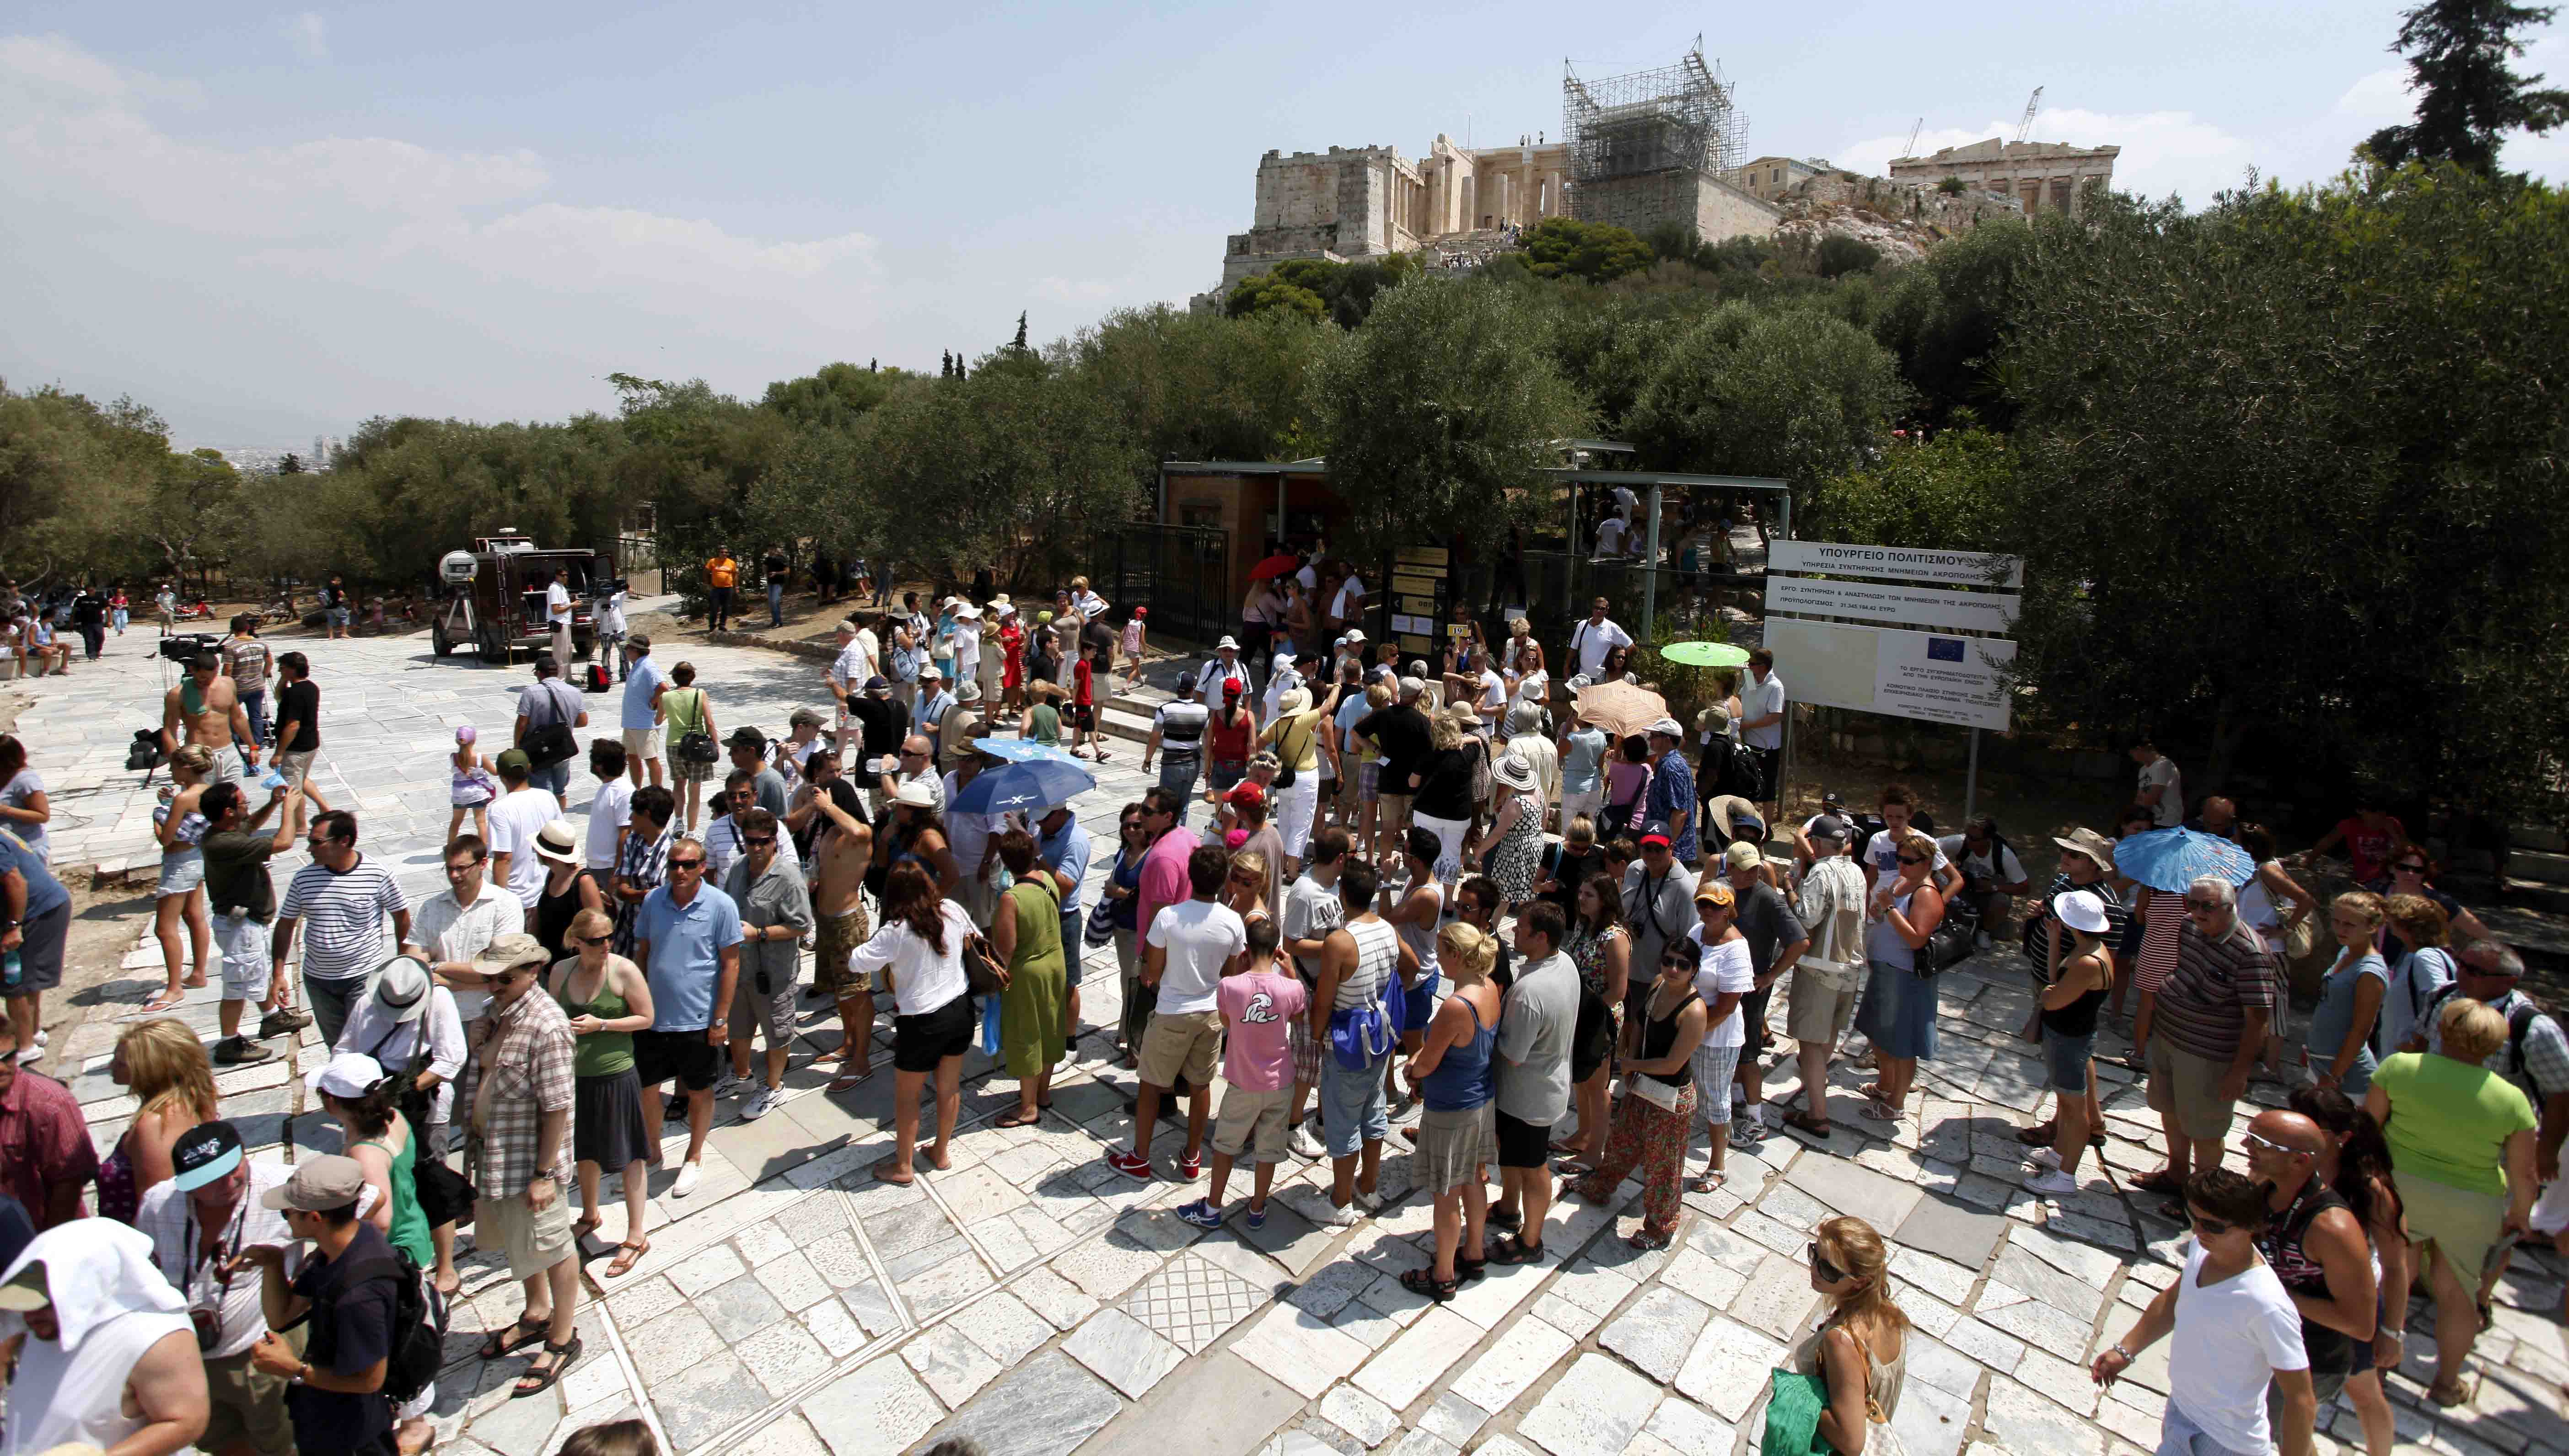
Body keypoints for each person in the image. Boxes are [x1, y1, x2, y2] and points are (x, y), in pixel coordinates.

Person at [2371, 995, 2540, 1407]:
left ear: (2442, 1029)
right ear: (2495, 1046)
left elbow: (2369, 1129)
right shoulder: (2513, 1100)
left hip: (2401, 1192)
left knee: (2395, 1277)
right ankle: (2447, 1384)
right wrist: (2519, 1215)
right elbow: (2525, 1173)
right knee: (2459, 1295)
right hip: (2472, 1202)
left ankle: (2375, 1364)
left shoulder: (2399, 1068)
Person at [462, 933, 584, 1398]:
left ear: (533, 972)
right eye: (490, 978)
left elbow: (557, 1107)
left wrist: (544, 1175)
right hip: (498, 1153)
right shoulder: (500, 1013)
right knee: (521, 1240)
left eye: (504, 979)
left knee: (553, 1246)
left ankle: (562, 1337)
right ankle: (536, 1313)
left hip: (530, 1162)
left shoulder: (547, 1025)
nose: (494, 986)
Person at [136, 1121, 300, 1456]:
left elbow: (369, 1202)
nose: (227, 1184)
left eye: (233, 1169)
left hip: (258, 1353)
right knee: (218, 1442)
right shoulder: (157, 1204)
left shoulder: (283, 1187)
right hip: (190, 1358)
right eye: (210, 1180)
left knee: (281, 1441)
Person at [0, 1219, 209, 1456]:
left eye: (43, 1306)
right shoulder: (42, 1330)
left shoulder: (155, 1335)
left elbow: (186, 1422)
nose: (30, 1316)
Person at [2133, 877, 2281, 1209]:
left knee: (2205, 1129)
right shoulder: (2188, 927)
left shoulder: (2250, 952)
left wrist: (2240, 1072)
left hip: (2209, 1055)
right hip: (2170, 1037)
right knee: (2170, 1111)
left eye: (2208, 906)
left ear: (2231, 907)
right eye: (2193, 903)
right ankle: (2176, 1175)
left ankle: (2202, 1201)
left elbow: (2257, 1018)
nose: (2198, 912)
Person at [238, 1155, 402, 1453]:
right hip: (325, 1421)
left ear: (315, 1218)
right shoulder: (344, 1245)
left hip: (353, 1437)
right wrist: (273, 1263)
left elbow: (370, 1380)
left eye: (287, 1213)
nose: (284, 1217)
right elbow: (282, 1317)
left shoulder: (359, 1296)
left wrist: (294, 1369)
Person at [2232, 1109, 2379, 1430]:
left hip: (2305, 1362)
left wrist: (2279, 1295)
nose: (2245, 1145)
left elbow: (2360, 1324)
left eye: (2259, 1143)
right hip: (2254, 1341)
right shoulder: (2262, 1187)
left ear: (2298, 1161)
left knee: (2264, 1439)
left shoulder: (2333, 1228)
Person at [1114, 844, 1249, 1182]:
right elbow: (1230, 974)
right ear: (1223, 882)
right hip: (1210, 1014)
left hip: (1173, 1012)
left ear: (1190, 876)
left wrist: (1152, 974)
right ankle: (1192, 1157)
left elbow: (1154, 973)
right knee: (1201, 1086)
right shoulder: (1233, 922)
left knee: (1150, 1086)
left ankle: (1140, 1159)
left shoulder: (1168, 918)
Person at [2289, 1087, 2411, 1456]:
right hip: (2294, 1300)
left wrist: (2392, 1331)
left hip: (2346, 1309)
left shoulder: (2371, 1191)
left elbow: (2395, 1265)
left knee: (2365, 1392)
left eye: (2312, 1126)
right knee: (2288, 1399)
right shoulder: (2290, 1167)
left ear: (2342, 1139)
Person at [332, 955, 465, 1294]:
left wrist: (407, 1089)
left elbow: (452, 1057)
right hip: (372, 1100)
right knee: (380, 1183)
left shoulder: (439, 1000)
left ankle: (446, 1263)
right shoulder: (368, 1003)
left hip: (422, 1099)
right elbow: (345, 1048)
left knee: (432, 1178)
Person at [1568, 939, 1712, 1247]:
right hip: (1642, 1085)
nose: (1674, 969)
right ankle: (1601, 1186)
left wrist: (1630, 1064)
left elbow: (1674, 1063)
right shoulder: (1659, 984)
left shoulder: (1695, 1011)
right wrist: (1631, 1068)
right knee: (1622, 1141)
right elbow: (1641, 1027)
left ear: (1694, 970)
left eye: (1683, 965)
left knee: (1663, 1166)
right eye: (1669, 961)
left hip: (1671, 1099)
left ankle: (1661, 1226)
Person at [1174, 916, 1311, 1233]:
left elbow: (1226, 1023)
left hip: (1243, 1083)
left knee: (1225, 1146)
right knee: (1268, 1150)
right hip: (1280, 1083)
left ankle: (1212, 1207)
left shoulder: (1230, 986)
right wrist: (1291, 973)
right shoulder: (1291, 988)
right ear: (1277, 949)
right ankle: (1257, 1208)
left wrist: (1236, 973)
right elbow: (1300, 1017)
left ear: (1247, 949)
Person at [1388, 921, 1500, 1298]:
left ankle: (1444, 1274)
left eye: (1440, 950)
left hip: (1451, 1110)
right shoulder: (1490, 989)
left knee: (1446, 1194)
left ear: (1456, 955)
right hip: (1482, 1101)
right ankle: (1475, 1252)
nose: (1436, 958)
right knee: (1474, 1178)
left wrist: (1411, 1072)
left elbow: (1426, 1062)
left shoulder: (1456, 1005)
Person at [849, 863, 976, 1183]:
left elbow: (857, 961)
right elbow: (975, 937)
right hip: (960, 1008)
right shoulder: (951, 909)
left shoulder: (895, 931)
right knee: (949, 1088)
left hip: (921, 1021)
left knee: (908, 1097)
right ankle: (941, 1152)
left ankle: (904, 1166)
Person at [546, 907, 655, 1279]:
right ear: (576, 941)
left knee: (631, 1155)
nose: (606, 945)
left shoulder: (623, 970)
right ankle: (590, 1214)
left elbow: (646, 1018)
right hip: (575, 1076)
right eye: (597, 940)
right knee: (585, 1150)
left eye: (609, 936)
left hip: (615, 1074)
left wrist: (602, 1024)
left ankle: (637, 1233)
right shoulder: (562, 972)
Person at [631, 835, 740, 1198]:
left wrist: (721, 1019)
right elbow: (643, 952)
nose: (680, 871)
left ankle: (694, 1156)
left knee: (698, 1090)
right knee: (647, 1088)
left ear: (702, 868)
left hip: (697, 1018)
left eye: (688, 865)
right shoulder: (652, 901)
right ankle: (653, 1151)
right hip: (652, 1017)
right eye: (674, 864)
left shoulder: (721, 906)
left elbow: (730, 963)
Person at [1308, 858, 1413, 1224]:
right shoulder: (1386, 928)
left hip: (1348, 1044)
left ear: (1342, 893)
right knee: (1373, 1113)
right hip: (1380, 1039)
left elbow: (1324, 1000)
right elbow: (1412, 966)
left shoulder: (1339, 942)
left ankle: (1340, 1203)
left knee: (1342, 1123)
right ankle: (1368, 1186)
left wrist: (1317, 1037)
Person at [274, 811, 412, 1047]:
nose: (310, 849)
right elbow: (286, 925)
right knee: (337, 1047)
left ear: (344, 841)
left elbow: (402, 916)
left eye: (317, 843)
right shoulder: (304, 879)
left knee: (368, 1043)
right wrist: (277, 974)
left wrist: (403, 962)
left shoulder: (377, 874)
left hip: (363, 978)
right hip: (318, 982)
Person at [1488, 900, 1577, 1262]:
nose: (1512, 932)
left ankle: (1530, 1241)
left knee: (1534, 1165)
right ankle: (1509, 1207)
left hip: (1530, 1097)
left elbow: (1512, 1053)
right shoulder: (1565, 963)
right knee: (1512, 1154)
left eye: (1521, 928)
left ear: (1540, 937)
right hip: (1539, 1088)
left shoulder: (1530, 993)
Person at [198, 781, 311, 1064]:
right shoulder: (223, 843)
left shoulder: (226, 834)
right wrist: (289, 810)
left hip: (248, 923)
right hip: (240, 927)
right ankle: (229, 1042)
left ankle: (271, 1017)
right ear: (228, 812)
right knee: (237, 986)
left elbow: (249, 827)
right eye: (243, 804)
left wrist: (272, 804)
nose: (247, 807)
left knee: (256, 973)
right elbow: (283, 842)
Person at [720, 808, 808, 1123]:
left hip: (774, 972)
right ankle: (743, 1077)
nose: (756, 848)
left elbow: (801, 925)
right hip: (740, 968)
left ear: (774, 842)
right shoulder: (739, 868)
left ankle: (774, 1086)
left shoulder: (788, 878)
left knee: (777, 1030)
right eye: (750, 841)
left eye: (763, 842)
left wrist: (759, 934)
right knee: (740, 1025)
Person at [2024, 890, 2114, 1196]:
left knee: (2076, 1112)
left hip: (2069, 1041)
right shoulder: (2089, 949)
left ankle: (2065, 1177)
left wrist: (2049, 995)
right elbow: (2057, 982)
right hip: (2066, 1035)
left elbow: (2053, 998)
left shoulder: (2089, 963)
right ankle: (2059, 1154)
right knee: (2064, 1103)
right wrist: (2053, 943)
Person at [1852, 829, 1944, 1124]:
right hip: (1884, 968)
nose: (1901, 865)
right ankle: (1885, 1084)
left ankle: (1896, 1103)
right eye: (1898, 858)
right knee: (1875, 1030)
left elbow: (1917, 939)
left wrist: (1889, 908)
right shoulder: (1904, 883)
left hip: (1905, 977)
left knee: (1902, 1042)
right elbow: (1886, 916)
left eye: (1908, 861)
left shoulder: (1927, 894)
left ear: (1926, 863)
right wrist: (1881, 911)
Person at [1783, 816, 1866, 1138]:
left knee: (1810, 1043)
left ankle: (1817, 1115)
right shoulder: (1857, 871)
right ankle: (1816, 1088)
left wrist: (1790, 888)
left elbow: (1806, 918)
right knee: (1829, 1032)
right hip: (1850, 967)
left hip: (1821, 968)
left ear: (1816, 844)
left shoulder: (1821, 872)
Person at [1724, 842, 1807, 1147]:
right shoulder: (1724, 890)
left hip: (1751, 990)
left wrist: (1771, 975)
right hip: (1726, 987)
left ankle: (1756, 1120)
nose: (1752, 873)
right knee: (1730, 1047)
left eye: (1756, 868)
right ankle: (1734, 1099)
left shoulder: (1769, 899)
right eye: (1745, 868)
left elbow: (1800, 942)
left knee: (1747, 1055)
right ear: (1730, 869)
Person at [98, 1020, 219, 1227]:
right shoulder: (196, 1099)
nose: (111, 1067)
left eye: (121, 1063)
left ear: (150, 1071)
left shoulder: (155, 1125)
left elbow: (156, 1212)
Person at [988, 830, 1068, 1124]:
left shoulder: (1012, 898)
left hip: (1028, 973)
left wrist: (992, 979)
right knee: (1050, 1029)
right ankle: (1043, 1093)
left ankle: (1028, 1107)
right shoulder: (1047, 880)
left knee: (1027, 1036)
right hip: (1055, 963)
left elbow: (1006, 952)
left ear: (1006, 863)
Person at [1553, 874, 1630, 1172]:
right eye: (1581, 892)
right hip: (1579, 1014)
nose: (1582, 899)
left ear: (1606, 900)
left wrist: (1587, 1015)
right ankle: (1582, 1136)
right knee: (1581, 1081)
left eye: (1590, 895)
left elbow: (1618, 991)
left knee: (1598, 1087)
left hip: (1600, 1019)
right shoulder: (1584, 925)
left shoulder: (1616, 938)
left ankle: (1595, 1151)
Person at [0, 1019, 97, 1228]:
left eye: (7, 1057)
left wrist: (48, 1247)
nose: (1, 1067)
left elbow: (70, 1181)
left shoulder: (50, 1104)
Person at [146, 744, 217, 1016]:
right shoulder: (208, 793)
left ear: (185, 768)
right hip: (198, 859)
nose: (171, 771)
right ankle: (199, 972)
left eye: (174, 767)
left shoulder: (183, 799)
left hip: (178, 864)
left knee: (165, 929)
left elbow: (166, 838)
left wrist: (158, 815)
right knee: (194, 915)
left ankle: (174, 988)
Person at [2307, 892, 2390, 1097]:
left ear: (2372, 927)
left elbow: (2361, 1030)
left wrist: (2334, 1076)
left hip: (2348, 1078)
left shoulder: (2370, 972)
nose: (2340, 929)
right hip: (2320, 1062)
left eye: (2350, 925)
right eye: (2336, 921)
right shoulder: (2345, 952)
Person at [162, 651, 258, 789]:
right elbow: (169, 732)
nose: (206, 682)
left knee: (235, 802)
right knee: (200, 805)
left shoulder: (228, 684)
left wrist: (253, 747)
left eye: (211, 678)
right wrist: (175, 766)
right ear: (192, 670)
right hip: (199, 757)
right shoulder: (178, 694)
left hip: (229, 754)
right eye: (202, 678)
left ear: (217, 671)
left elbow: (238, 718)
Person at [2378, 894, 2457, 1055]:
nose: (2388, 921)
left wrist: (2417, 1043)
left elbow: (2442, 1000)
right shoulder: (2411, 955)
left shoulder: (2426, 956)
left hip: (2411, 1060)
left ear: (2407, 926)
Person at [1469, 751, 1547, 913]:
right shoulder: (1537, 789)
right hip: (1535, 845)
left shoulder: (1515, 803)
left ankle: (1498, 928)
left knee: (1505, 894)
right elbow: (1544, 816)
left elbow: (1498, 834)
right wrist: (1538, 837)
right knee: (1528, 891)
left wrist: (1480, 853)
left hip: (1514, 850)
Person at [1936, 816, 2029, 949]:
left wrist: (1994, 887)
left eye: (1974, 839)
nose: (1968, 841)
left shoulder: (2004, 855)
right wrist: (1949, 869)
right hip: (1962, 888)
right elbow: (1930, 846)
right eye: (1967, 836)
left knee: (2002, 901)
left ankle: (1984, 932)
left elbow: (2025, 887)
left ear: (1988, 839)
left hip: (1989, 894)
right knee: (1935, 879)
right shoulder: (1962, 842)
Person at [512, 657, 589, 809]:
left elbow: (522, 723)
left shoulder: (531, 693)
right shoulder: (574, 691)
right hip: (563, 748)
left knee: (542, 791)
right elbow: (583, 721)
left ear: (539, 673)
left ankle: (546, 826)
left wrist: (517, 746)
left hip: (538, 751)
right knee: (560, 791)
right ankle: (559, 822)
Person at [2374, 848, 2493, 945]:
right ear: (2391, 868)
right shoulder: (2377, 895)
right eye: (2403, 868)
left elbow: (2483, 934)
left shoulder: (2439, 902)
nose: (2410, 873)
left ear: (2424, 874)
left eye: (2418, 870)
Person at [266, 651, 331, 812]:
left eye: (283, 668)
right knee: (301, 780)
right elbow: (279, 695)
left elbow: (293, 725)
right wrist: (284, 677)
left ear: (292, 669)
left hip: (295, 749)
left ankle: (299, 826)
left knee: (292, 791)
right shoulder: (311, 687)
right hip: (310, 744)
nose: (280, 671)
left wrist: (279, 753)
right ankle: (324, 808)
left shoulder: (294, 693)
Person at [658, 662, 718, 832]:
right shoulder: (700, 694)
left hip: (674, 745)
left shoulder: (666, 696)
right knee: (695, 788)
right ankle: (692, 831)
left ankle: (678, 821)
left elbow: (658, 719)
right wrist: (715, 744)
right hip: (697, 746)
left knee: (678, 785)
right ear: (693, 677)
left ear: (674, 677)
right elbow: (710, 722)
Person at [2307, 799, 2411, 886]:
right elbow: (2326, 843)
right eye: (2374, 811)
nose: (2380, 815)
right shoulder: (2350, 825)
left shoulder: (2392, 824)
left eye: (2383, 811)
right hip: (2364, 880)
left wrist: (2394, 834)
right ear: (2360, 811)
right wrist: (2308, 864)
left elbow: (2409, 854)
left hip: (2392, 879)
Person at [1642, 718, 1698, 867]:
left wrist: (1668, 846)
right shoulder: (1667, 764)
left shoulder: (1672, 767)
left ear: (1667, 739)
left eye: (1654, 736)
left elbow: (1680, 812)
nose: (1650, 739)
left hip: (1673, 851)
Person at [220, 615, 274, 764]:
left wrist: (224, 685)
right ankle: (257, 743)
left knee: (232, 716)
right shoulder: (261, 643)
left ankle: (235, 742)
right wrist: (263, 676)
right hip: (257, 686)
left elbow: (228, 669)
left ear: (232, 630)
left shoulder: (231, 647)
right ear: (248, 628)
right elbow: (270, 662)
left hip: (238, 688)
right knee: (256, 716)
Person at [620, 633, 667, 789]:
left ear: (635, 650)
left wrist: (653, 702)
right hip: (631, 723)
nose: (625, 651)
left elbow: (663, 686)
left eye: (627, 648)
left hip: (644, 724)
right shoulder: (637, 665)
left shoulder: (648, 666)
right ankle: (637, 790)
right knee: (632, 757)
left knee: (650, 759)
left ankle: (656, 792)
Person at [0, 736, 46, 866]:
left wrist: (6, 810)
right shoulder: (4, 776)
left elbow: (42, 816)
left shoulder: (25, 780)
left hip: (27, 849)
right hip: (7, 848)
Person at [447, 724, 496, 844]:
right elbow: (495, 772)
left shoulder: (454, 757)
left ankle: (450, 847)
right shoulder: (480, 758)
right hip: (478, 794)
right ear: (474, 740)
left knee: (456, 822)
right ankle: (484, 849)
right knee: (480, 821)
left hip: (460, 795)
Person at [1565, 598, 1631, 681]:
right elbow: (1573, 649)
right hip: (1583, 678)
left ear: (1607, 611)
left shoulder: (1612, 628)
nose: (1599, 611)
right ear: (1592, 609)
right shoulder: (1582, 625)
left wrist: (1617, 666)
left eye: (1602, 609)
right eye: (1596, 608)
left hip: (1603, 679)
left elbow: (1631, 647)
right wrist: (1566, 666)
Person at [2130, 737, 2184, 830]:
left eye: (2132, 754)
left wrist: (2141, 805)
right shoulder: (2143, 770)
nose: (2134, 759)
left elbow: (2151, 799)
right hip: (2150, 819)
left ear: (2139, 750)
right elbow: (2139, 797)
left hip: (2167, 821)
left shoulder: (2163, 765)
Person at [703, 546, 738, 631]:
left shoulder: (731, 563)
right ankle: (712, 626)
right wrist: (708, 584)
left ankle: (722, 625)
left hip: (728, 588)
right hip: (716, 589)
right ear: (719, 553)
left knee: (726, 608)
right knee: (714, 608)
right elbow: (705, 572)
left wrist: (736, 587)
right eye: (722, 552)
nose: (724, 554)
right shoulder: (713, 561)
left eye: (726, 552)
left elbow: (735, 575)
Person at [762, 544, 790, 627]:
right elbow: (764, 567)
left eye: (772, 549)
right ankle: (774, 621)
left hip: (778, 582)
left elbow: (787, 571)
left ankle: (778, 622)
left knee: (775, 601)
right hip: (770, 583)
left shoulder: (781, 559)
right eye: (769, 549)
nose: (770, 551)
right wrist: (766, 573)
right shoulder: (767, 559)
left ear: (775, 550)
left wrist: (776, 573)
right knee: (771, 602)